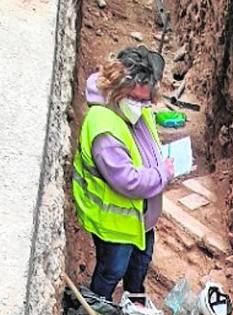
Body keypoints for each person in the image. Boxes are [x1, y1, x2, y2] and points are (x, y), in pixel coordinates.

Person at [72, 46, 174, 300]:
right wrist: (163, 174)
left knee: (141, 261)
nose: (143, 105)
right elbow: (127, 181)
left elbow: (145, 143)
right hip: (115, 222)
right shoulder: (104, 128)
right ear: (117, 90)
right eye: (137, 99)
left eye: (146, 99)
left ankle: (133, 300)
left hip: (140, 217)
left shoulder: (137, 107)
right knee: (111, 270)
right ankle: (96, 313)